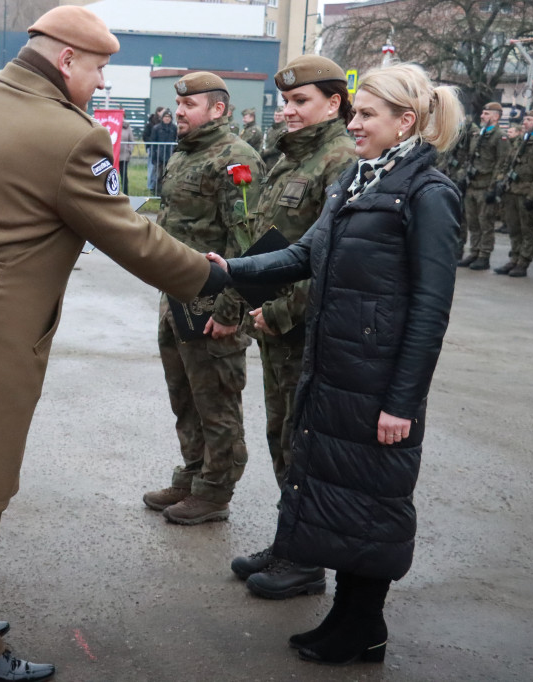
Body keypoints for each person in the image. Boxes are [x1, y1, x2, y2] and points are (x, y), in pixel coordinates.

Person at [0, 7, 229, 681]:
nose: (102, 80)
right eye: (99, 67)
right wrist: (210, 276)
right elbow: (130, 236)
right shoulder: (70, 135)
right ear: (66, 60)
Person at [209, 62, 463, 667]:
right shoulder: (358, 178)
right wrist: (230, 270)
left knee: (374, 502)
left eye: (367, 114)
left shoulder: (429, 194)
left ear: (406, 121)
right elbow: (305, 254)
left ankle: (364, 627)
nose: (355, 124)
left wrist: (402, 401)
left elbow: (431, 310)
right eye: (356, 113)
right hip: (337, 370)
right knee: (344, 496)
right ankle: (348, 620)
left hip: (379, 382)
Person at [228, 55, 356, 599]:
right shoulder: (291, 156)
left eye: (301, 101)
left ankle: (306, 561)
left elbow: (333, 257)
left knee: (301, 444)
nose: (288, 111)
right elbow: (273, 239)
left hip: (302, 329)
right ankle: (291, 541)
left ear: (334, 103)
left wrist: (279, 312)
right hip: (275, 326)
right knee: (281, 437)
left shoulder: (340, 159)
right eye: (286, 101)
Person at [141, 72, 263, 525]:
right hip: (176, 297)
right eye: (178, 105)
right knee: (185, 396)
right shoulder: (184, 154)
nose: (179, 113)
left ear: (218, 109)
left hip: (215, 302)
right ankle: (192, 475)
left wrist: (231, 311)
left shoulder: (236, 159)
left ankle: (215, 491)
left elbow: (247, 243)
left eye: (189, 106)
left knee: (217, 400)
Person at [494, 110, 533, 277]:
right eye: (525, 119)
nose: (524, 122)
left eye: (529, 119)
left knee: (527, 230)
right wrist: (502, 181)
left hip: (527, 193)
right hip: (512, 190)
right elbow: (508, 163)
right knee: (514, 228)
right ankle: (514, 258)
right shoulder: (521, 140)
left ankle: (523, 262)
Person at [458, 101, 508, 270]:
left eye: (486, 114)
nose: (482, 116)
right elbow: (469, 157)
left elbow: (502, 163)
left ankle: (484, 255)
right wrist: (463, 177)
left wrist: (494, 187)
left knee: (485, 223)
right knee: (473, 222)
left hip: (486, 186)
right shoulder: (478, 134)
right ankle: (474, 252)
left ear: (496, 117)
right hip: (472, 184)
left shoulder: (500, 136)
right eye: (483, 113)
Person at [148, 108, 176, 192]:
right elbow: (153, 143)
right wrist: (153, 156)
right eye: (165, 117)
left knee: (169, 175)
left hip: (170, 156)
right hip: (159, 156)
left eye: (169, 117)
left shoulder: (174, 128)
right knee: (158, 175)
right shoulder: (156, 128)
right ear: (162, 118)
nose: (167, 118)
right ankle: (157, 191)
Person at [143, 105, 164, 192]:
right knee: (152, 167)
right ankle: (150, 186)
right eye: (163, 111)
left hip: (161, 149)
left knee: (159, 168)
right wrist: (152, 143)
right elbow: (145, 136)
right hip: (152, 148)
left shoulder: (163, 124)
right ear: (158, 112)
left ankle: (157, 186)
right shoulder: (150, 124)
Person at [119, 114, 134, 194]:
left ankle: (125, 193)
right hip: (112, 156)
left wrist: (129, 150)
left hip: (124, 156)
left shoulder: (127, 128)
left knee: (124, 175)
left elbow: (131, 141)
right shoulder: (112, 126)